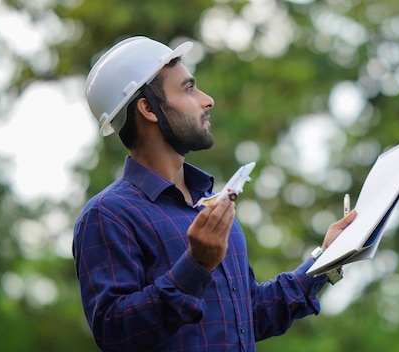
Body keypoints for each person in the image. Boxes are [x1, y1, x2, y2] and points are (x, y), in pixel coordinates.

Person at [72, 36, 356, 352]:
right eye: (189, 89)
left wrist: (327, 258)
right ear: (148, 109)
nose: (207, 100)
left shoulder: (210, 207)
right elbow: (116, 333)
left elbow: (249, 316)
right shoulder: (109, 215)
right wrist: (196, 265)